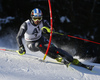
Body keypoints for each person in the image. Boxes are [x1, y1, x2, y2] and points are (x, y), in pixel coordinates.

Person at [16, 8, 93, 69]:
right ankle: (57, 58)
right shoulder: (26, 24)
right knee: (38, 45)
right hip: (31, 44)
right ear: (32, 17)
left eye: (39, 18)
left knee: (55, 49)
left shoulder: (44, 22)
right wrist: (21, 47)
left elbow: (52, 30)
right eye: (35, 18)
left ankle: (73, 60)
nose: (37, 21)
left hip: (41, 39)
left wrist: (49, 30)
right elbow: (18, 36)